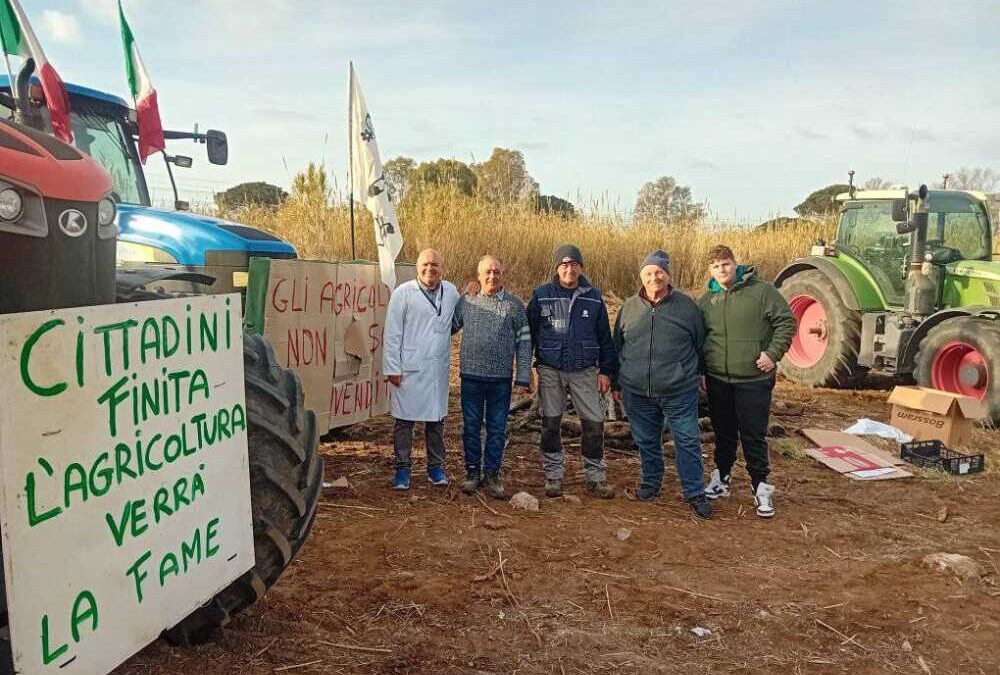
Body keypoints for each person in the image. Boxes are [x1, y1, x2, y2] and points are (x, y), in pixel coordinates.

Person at [611, 250, 712, 518]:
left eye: (659, 273)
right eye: (648, 273)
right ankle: (651, 484)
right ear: (641, 277)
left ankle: (694, 492)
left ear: (668, 276)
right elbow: (617, 346)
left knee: (687, 440)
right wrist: (618, 382)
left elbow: (701, 345)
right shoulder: (629, 308)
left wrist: (699, 374)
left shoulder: (687, 308)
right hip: (636, 390)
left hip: (678, 390)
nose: (654, 277)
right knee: (646, 441)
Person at [698, 244, 795, 518]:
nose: (721, 270)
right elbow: (701, 338)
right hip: (718, 379)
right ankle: (722, 479)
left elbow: (786, 322)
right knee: (724, 433)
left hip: (753, 379)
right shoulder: (707, 301)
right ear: (710, 270)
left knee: (753, 434)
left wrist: (773, 354)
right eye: (716, 266)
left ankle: (761, 486)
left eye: (725, 264)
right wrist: (703, 370)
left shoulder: (762, 292)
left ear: (735, 264)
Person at [527, 244, 618, 499]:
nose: (569, 269)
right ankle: (554, 476)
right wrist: (529, 370)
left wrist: (606, 372)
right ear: (557, 268)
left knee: (593, 424)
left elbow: (605, 338)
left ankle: (596, 476)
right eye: (564, 265)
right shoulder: (541, 295)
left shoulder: (594, 297)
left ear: (581, 268)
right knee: (550, 424)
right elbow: (529, 336)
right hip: (550, 369)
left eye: (574, 264)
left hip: (585, 370)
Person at [452, 255, 532, 499]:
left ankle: (492, 474)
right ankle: (472, 472)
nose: (492, 276)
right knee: (471, 427)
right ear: (478, 275)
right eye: (487, 272)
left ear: (502, 274)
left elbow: (525, 342)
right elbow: (450, 327)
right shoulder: (467, 300)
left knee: (497, 428)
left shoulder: (514, 305)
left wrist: (523, 376)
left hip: (500, 380)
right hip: (471, 377)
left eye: (496, 272)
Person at [383, 248, 460, 490]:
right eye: (425, 265)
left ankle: (435, 468)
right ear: (417, 267)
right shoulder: (403, 293)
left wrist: (471, 293)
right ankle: (402, 469)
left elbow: (454, 323)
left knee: (436, 422)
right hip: (409, 369)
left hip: (437, 369)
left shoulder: (451, 292)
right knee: (404, 422)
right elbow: (392, 334)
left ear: (442, 268)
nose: (430, 269)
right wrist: (392, 368)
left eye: (435, 265)